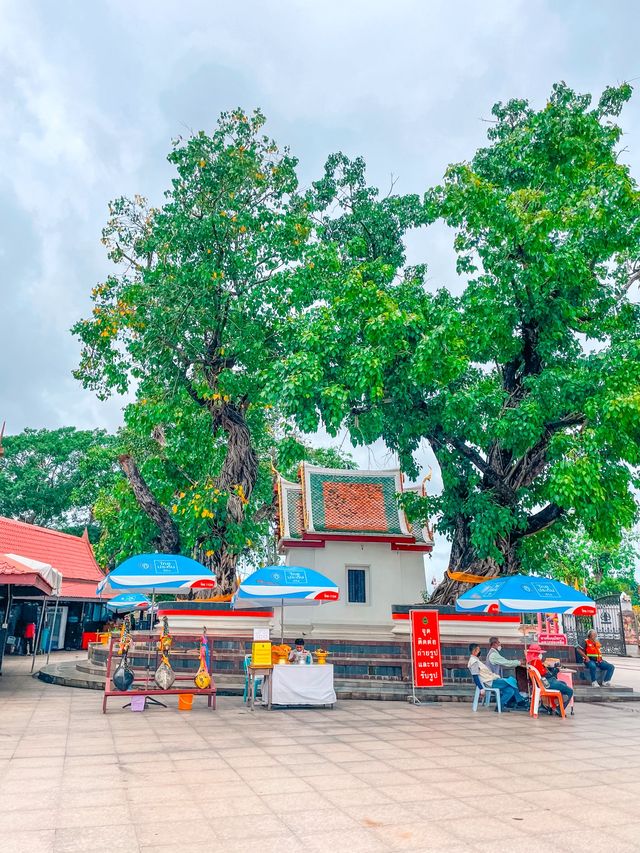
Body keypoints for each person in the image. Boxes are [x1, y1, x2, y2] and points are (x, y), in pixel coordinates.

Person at [467, 643, 522, 710]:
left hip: (492, 680)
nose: (479, 651)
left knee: (510, 691)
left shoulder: (476, 661)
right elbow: (475, 676)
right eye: (478, 650)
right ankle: (520, 701)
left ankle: (500, 707)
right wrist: (481, 688)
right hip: (490, 682)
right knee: (512, 680)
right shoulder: (474, 662)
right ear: (474, 651)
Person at [526, 644, 573, 713]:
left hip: (541, 683)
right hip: (546, 683)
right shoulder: (537, 661)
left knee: (563, 684)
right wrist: (556, 670)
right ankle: (559, 709)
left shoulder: (531, 662)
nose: (540, 655)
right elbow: (546, 675)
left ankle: (557, 703)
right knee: (570, 691)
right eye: (539, 653)